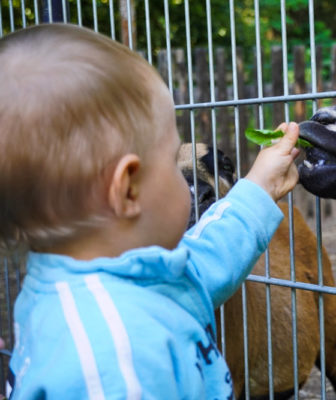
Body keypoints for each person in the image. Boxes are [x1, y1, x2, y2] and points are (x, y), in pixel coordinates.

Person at [0, 23, 300, 399]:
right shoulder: (114, 362)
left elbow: (207, 262)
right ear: (128, 188)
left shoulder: (119, 275)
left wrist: (259, 187)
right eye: (173, 163)